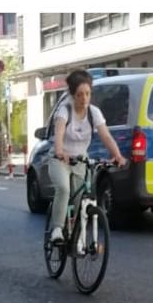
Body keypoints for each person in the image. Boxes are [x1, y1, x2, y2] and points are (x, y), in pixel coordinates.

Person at [45, 70, 126, 244]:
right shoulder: (64, 110)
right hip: (60, 160)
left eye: (88, 94)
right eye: (80, 94)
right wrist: (60, 151)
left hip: (80, 160)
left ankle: (75, 232)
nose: (84, 98)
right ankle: (57, 229)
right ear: (73, 95)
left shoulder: (93, 113)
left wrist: (117, 155)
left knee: (80, 198)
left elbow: (106, 136)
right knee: (64, 189)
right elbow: (58, 133)